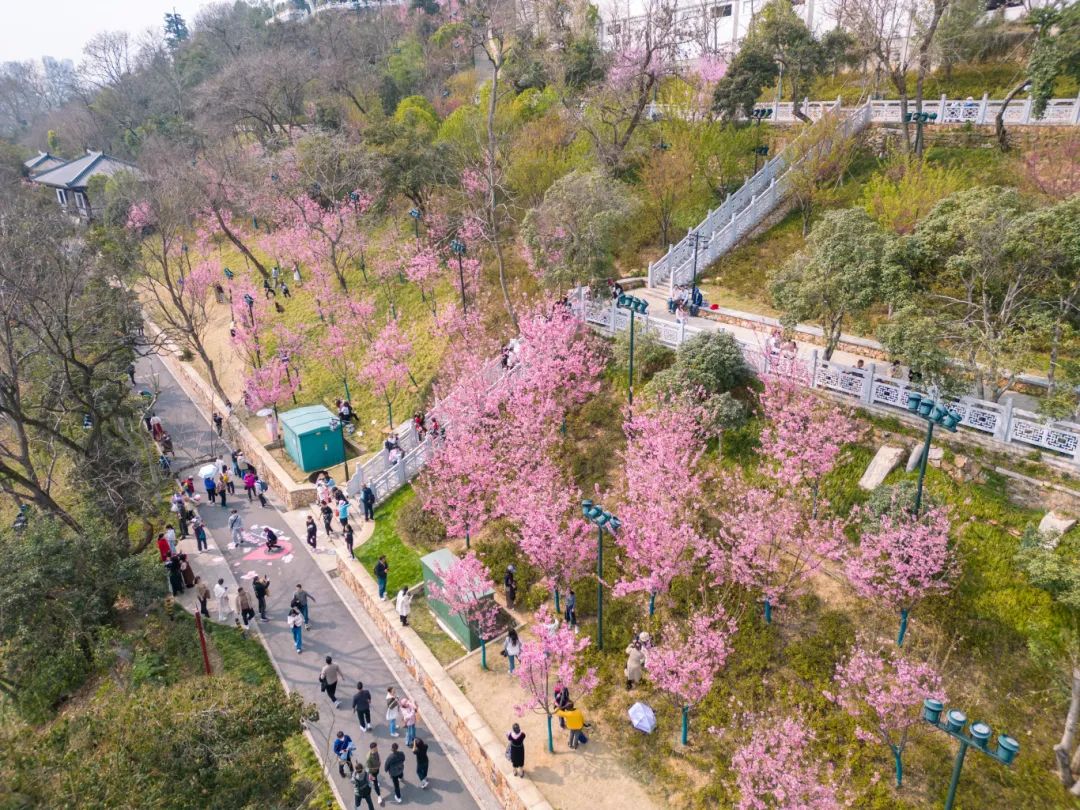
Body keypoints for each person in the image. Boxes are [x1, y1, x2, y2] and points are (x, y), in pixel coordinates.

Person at [364, 742, 385, 807]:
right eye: (375, 748)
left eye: (376, 748)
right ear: (372, 749)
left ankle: (375, 781)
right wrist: (370, 775)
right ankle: (379, 796)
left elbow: (378, 755)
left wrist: (380, 761)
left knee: (376, 776)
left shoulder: (376, 752)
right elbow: (368, 768)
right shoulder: (369, 757)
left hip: (376, 770)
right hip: (372, 772)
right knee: (375, 784)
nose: (376, 749)